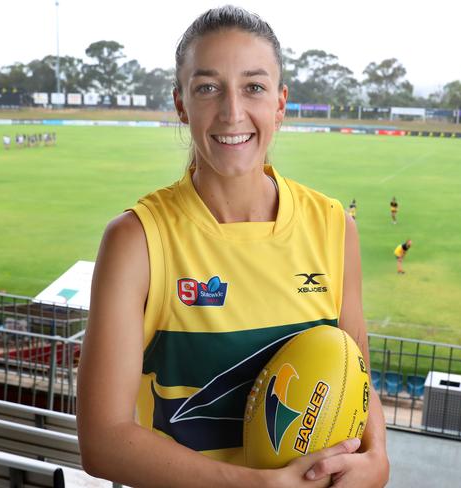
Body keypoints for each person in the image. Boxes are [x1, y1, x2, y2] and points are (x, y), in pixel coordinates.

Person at [77, 6, 388, 488]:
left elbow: (355, 376)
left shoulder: (333, 226)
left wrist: (378, 460)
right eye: (207, 88)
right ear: (181, 104)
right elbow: (103, 440)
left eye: (254, 87)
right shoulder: (136, 240)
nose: (232, 112)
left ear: (280, 104)